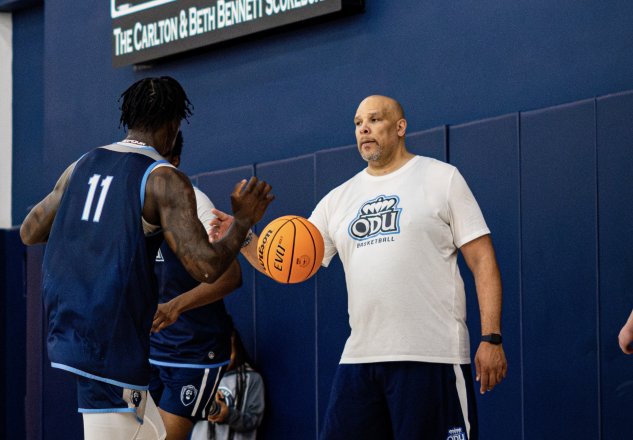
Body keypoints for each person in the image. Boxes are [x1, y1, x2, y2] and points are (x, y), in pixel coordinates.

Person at [210, 95, 507, 439]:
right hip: (361, 358)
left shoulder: (442, 179)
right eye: (357, 123)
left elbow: (482, 259)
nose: (364, 128)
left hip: (430, 354)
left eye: (375, 119)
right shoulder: (339, 199)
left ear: (400, 127)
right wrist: (243, 236)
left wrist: (492, 338)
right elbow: (283, 263)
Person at [19, 76, 274, 440]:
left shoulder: (82, 164)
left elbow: (30, 231)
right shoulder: (164, 178)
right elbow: (207, 266)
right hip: (112, 341)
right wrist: (245, 220)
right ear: (175, 124)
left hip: (74, 327)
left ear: (128, 117)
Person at [149, 132, 243, 440]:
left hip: (194, 351)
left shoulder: (195, 205)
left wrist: (175, 306)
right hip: (150, 349)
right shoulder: (135, 207)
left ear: (174, 163)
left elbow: (231, 277)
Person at [189, 327, 265, 440]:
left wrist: (228, 414)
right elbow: (183, 414)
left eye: (228, 351)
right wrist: (205, 403)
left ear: (237, 349)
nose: (222, 357)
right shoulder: (200, 376)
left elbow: (254, 420)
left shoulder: (252, 378)